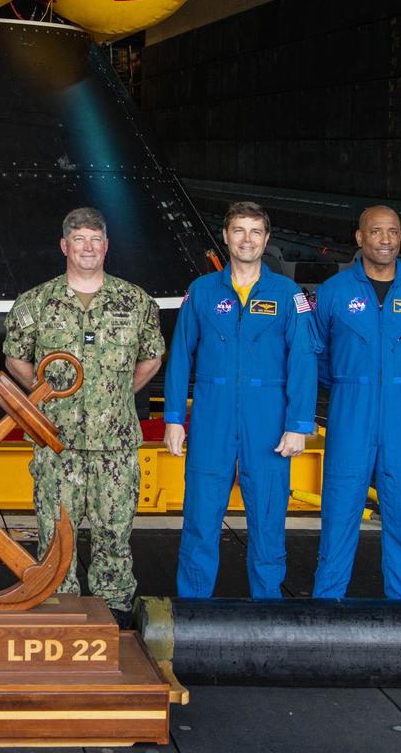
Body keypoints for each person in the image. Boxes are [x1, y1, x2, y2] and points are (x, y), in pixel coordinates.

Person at [3, 207, 164, 625]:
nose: (88, 247)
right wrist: (45, 395)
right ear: (64, 246)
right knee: (58, 536)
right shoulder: (36, 302)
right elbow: (14, 358)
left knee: (114, 533)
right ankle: (58, 613)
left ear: (106, 246)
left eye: (95, 239)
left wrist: (118, 393)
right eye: (79, 239)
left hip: (115, 444)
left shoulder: (135, 300)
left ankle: (115, 617)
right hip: (57, 441)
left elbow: (152, 356)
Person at [162, 201, 317, 598]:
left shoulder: (287, 294)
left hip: (267, 422)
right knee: (200, 518)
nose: (246, 240)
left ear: (265, 240)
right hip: (212, 420)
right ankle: (193, 608)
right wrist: (175, 418)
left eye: (255, 232)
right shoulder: (201, 291)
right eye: (238, 231)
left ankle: (267, 609)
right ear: (226, 237)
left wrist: (299, 425)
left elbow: (302, 361)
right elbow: (180, 356)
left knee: (267, 521)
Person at [312, 205, 401, 599]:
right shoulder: (333, 292)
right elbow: (316, 349)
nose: (386, 239)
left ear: (400, 237)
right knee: (340, 508)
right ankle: (327, 604)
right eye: (376, 232)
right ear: (360, 238)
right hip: (349, 410)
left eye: (393, 231)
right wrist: (348, 382)